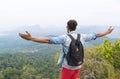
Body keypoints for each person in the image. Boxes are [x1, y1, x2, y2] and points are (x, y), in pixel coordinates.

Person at [19, 19, 114, 79]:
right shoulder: (82, 36)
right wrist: (107, 32)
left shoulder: (64, 38)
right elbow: (96, 35)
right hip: (78, 65)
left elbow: (48, 40)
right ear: (75, 27)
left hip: (68, 67)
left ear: (68, 27)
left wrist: (31, 38)